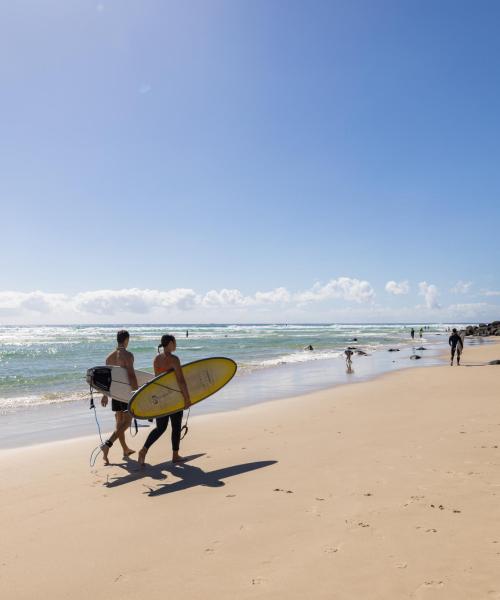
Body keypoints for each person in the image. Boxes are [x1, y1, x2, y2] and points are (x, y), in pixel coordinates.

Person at [138, 334, 191, 466]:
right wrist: (187, 398)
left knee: (160, 428)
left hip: (161, 397)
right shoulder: (174, 359)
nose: (176, 344)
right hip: (173, 397)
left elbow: (157, 380)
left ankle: (144, 450)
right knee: (176, 427)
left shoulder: (156, 359)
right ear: (170, 343)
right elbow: (180, 380)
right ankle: (175, 455)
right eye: (175, 342)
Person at [100, 330, 139, 464]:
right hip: (126, 394)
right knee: (127, 423)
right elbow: (132, 376)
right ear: (126, 340)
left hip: (115, 394)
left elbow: (107, 379)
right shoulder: (128, 355)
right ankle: (107, 444)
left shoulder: (109, 357)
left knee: (119, 423)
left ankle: (125, 449)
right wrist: (136, 392)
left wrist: (105, 395)